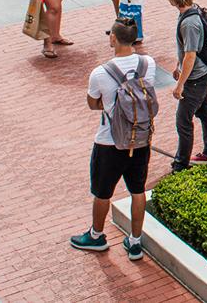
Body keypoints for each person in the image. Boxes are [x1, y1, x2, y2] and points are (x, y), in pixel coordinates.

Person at [70, 18, 159, 259]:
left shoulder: (100, 73)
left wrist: (109, 104)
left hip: (110, 142)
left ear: (113, 38)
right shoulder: (148, 64)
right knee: (137, 190)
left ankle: (96, 236)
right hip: (140, 139)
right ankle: (135, 241)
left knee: (102, 192)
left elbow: (92, 103)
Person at [167, 0, 207, 171]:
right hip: (201, 74)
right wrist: (178, 66)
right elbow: (184, 51)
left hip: (196, 78)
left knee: (183, 120)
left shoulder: (189, 23)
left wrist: (180, 84)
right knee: (204, 110)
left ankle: (181, 163)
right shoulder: (192, 11)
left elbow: (190, 55)